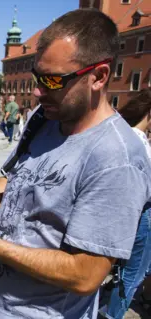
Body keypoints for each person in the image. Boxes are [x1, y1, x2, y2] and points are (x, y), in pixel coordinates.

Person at [0, 9, 151, 319]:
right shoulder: (46, 116)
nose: (37, 90)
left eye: (52, 80)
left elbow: (85, 275)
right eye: (37, 76)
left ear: (98, 76)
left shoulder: (117, 158)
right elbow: (20, 179)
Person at [100, 88, 151, 319]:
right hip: (142, 214)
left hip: (121, 213)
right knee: (132, 275)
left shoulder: (120, 135)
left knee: (118, 271)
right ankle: (112, 315)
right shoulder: (141, 144)